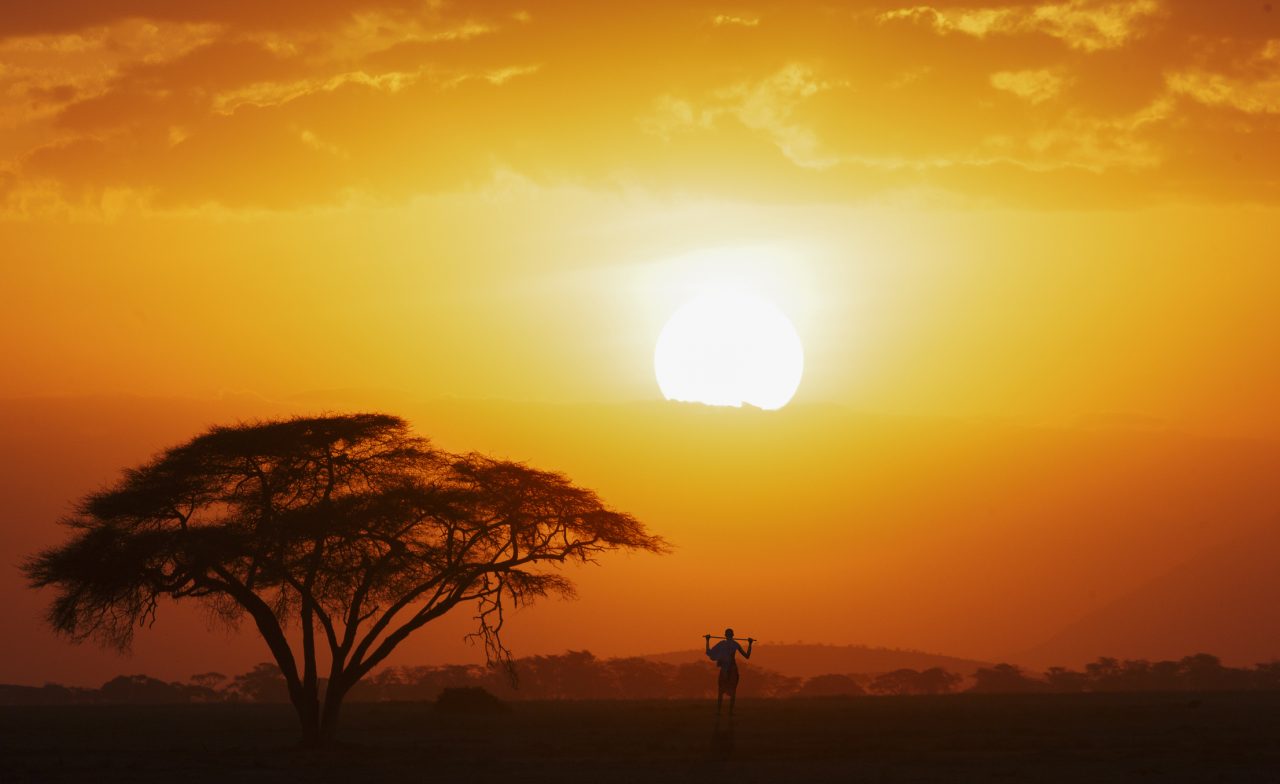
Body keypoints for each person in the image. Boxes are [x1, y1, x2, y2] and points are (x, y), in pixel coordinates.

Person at [705, 628, 754, 715]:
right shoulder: (733, 644)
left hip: (728, 668)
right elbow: (747, 655)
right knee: (730, 691)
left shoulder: (726, 644)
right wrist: (750, 644)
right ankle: (726, 712)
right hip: (729, 668)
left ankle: (722, 712)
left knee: (722, 691)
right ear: (732, 635)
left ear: (725, 635)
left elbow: (709, 652)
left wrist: (707, 640)